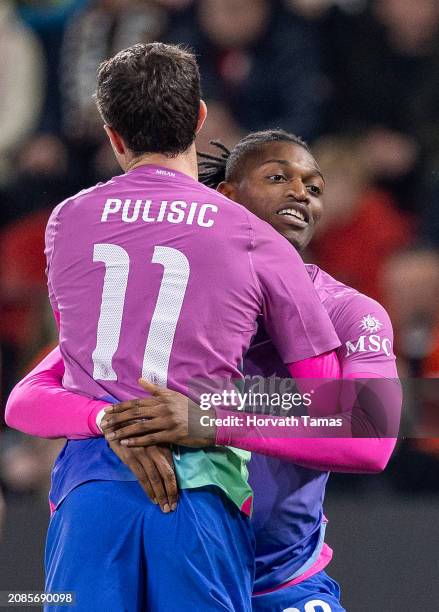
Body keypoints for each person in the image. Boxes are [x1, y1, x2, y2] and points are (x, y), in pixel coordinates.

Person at [6, 46, 342, 611]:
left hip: (89, 498)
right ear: (201, 119)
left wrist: (112, 419)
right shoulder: (252, 235)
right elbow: (330, 402)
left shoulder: (66, 221)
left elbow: (72, 364)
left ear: (113, 136)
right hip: (200, 497)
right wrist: (208, 418)